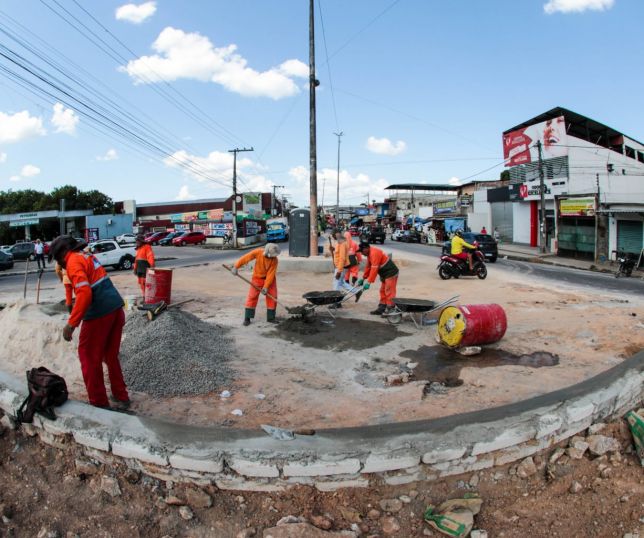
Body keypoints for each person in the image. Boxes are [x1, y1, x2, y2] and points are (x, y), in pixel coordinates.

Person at [48, 235, 130, 410]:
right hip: (116, 309)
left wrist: (72, 324)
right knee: (109, 356)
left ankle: (99, 404)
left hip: (100, 313)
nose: (58, 263)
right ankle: (121, 396)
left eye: (57, 258)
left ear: (63, 252)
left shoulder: (73, 261)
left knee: (88, 356)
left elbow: (85, 293)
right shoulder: (86, 256)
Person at [233, 243, 281, 326]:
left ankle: (271, 318)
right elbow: (246, 258)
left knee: (273, 296)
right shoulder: (258, 252)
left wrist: (266, 287)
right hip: (257, 278)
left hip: (270, 280)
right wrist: (236, 266)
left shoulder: (275, 260)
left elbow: (271, 274)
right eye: (272, 255)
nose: (274, 257)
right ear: (266, 253)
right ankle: (247, 318)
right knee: (252, 296)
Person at [357, 242, 399, 316]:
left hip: (391, 272)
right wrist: (363, 278)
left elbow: (374, 269)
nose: (362, 254)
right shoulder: (369, 255)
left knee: (389, 291)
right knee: (382, 290)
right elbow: (368, 267)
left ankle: (391, 309)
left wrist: (369, 282)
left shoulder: (374, 253)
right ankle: (382, 308)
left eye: (362, 251)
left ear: (366, 248)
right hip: (384, 274)